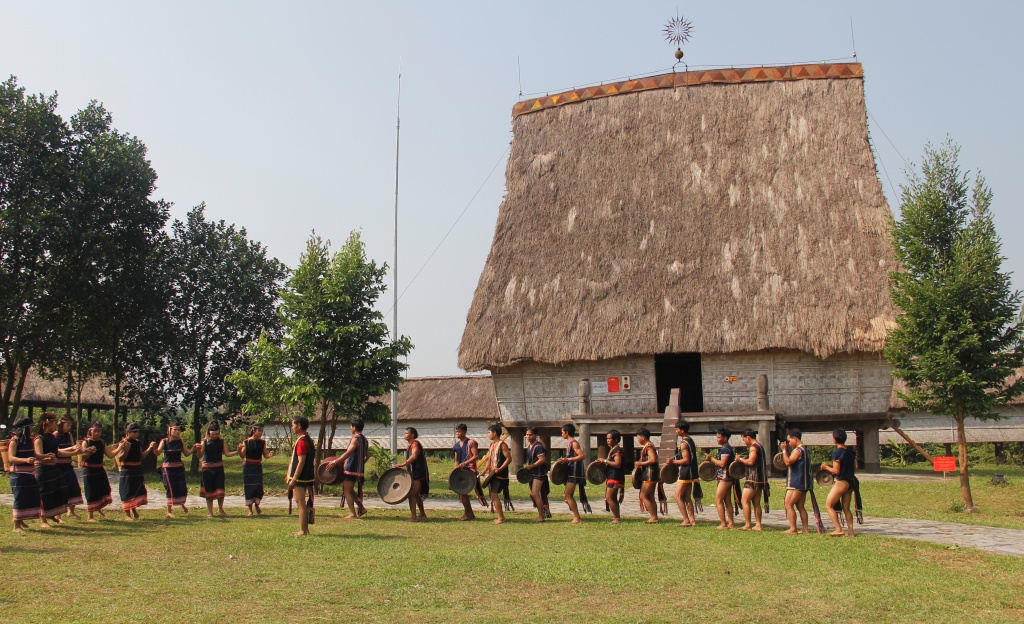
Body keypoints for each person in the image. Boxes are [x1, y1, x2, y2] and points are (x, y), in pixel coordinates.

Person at [34, 412, 82, 526]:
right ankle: (43, 520)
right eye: (54, 422)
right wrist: (47, 457)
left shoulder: (51, 436)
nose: (56, 424)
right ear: (47, 423)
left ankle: (52, 514)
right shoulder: (39, 438)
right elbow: (38, 455)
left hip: (53, 468)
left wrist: (74, 452)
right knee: (44, 494)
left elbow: (58, 452)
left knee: (62, 489)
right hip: (43, 469)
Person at [81, 422, 122, 522]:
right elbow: (82, 458)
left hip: (100, 470)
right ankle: (90, 516)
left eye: (99, 431)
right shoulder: (86, 442)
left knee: (104, 489)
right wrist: (88, 452)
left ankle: (98, 508)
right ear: (91, 430)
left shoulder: (102, 442)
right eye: (95, 431)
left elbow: (111, 455)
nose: (97, 433)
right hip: (89, 470)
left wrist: (120, 447)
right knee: (91, 492)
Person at [822, 428, 859, 537]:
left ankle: (838, 529)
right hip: (851, 481)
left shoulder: (837, 453)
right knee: (846, 508)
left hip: (841, 482)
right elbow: (854, 467)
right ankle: (851, 531)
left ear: (834, 439)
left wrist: (825, 467)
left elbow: (836, 471)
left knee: (828, 505)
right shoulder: (850, 452)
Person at [156, 423, 198, 518]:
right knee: (171, 488)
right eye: (175, 430)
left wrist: (193, 448)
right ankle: (169, 511)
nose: (177, 432)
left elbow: (187, 453)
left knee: (181, 487)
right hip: (168, 469)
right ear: (170, 430)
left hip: (178, 468)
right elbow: (157, 453)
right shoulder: (165, 441)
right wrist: (153, 447)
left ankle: (182, 505)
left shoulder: (180, 441)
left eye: (178, 430)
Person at [116, 423, 157, 520]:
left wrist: (150, 448)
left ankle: (134, 511)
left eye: (138, 432)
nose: (137, 434)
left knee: (136, 491)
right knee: (127, 492)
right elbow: (120, 458)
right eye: (134, 432)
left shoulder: (138, 443)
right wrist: (126, 450)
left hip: (137, 470)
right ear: (128, 432)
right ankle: (127, 514)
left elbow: (141, 456)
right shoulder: (123, 443)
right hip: (127, 470)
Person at [8, 417, 41, 532]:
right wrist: (25, 460)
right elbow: (11, 457)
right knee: (20, 498)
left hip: (30, 473)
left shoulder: (30, 440)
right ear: (25, 428)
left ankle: (21, 519)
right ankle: (16, 526)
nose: (32, 428)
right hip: (18, 474)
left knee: (30, 496)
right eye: (31, 426)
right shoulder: (14, 441)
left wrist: (46, 456)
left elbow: (35, 454)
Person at [199, 421, 238, 518]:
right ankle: (210, 512)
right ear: (209, 433)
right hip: (207, 470)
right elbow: (199, 455)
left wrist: (238, 451)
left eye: (217, 434)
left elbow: (227, 454)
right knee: (209, 492)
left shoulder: (221, 441)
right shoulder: (204, 442)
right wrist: (198, 449)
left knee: (220, 491)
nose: (215, 436)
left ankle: (220, 509)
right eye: (213, 434)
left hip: (219, 469)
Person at [331, 419, 368, 520]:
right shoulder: (364, 439)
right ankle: (361, 508)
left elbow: (348, 453)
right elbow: (367, 455)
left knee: (346, 490)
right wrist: (361, 462)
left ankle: (353, 513)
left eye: (351, 426)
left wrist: (335, 462)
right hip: (359, 468)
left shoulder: (355, 438)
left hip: (351, 467)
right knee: (350, 490)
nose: (350, 428)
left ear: (355, 427)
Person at [286, 416, 316, 536]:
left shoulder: (302, 441)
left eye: (293, 425)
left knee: (301, 504)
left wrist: (294, 479)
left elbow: (301, 461)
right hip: (306, 475)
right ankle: (305, 529)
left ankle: (303, 530)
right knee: (301, 503)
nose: (292, 427)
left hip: (301, 477)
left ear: (299, 426)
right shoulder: (307, 439)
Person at [555, 423, 590, 524]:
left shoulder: (574, 443)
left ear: (567, 432)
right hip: (570, 472)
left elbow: (582, 456)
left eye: (562, 432)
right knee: (567, 495)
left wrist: (568, 459)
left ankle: (577, 517)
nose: (562, 434)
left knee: (568, 495)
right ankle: (576, 516)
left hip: (574, 473)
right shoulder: (570, 443)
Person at [239, 423, 274, 517]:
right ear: (254, 431)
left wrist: (269, 455)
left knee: (258, 487)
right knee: (249, 488)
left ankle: (257, 504)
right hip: (248, 467)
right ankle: (250, 510)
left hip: (257, 466)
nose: (261, 432)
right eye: (259, 430)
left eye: (262, 430)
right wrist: (239, 450)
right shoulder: (246, 442)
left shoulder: (262, 442)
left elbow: (265, 454)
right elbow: (242, 455)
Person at [736, 428, 768, 531]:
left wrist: (740, 459)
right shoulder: (760, 446)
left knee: (744, 500)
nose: (744, 442)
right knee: (756, 503)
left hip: (753, 479)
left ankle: (748, 524)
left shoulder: (753, 447)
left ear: (748, 438)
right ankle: (758, 525)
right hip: (760, 479)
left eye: (744, 439)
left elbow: (750, 462)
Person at [780, 427, 810, 535]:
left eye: (789, 441)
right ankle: (805, 529)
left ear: (795, 439)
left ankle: (793, 528)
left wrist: (784, 450)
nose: (788, 443)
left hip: (797, 483)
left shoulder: (798, 450)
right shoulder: (805, 449)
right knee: (800, 506)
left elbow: (788, 462)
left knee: (788, 504)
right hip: (803, 483)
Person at [395, 427, 429, 522]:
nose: (404, 435)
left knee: (412, 495)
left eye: (407, 433)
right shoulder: (410, 445)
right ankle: (422, 513)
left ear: (412, 435)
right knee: (417, 495)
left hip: (418, 473)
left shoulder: (415, 444)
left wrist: (403, 464)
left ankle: (414, 517)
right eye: (404, 433)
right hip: (415, 472)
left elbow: (414, 457)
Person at [671, 420, 700, 527]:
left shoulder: (684, 443)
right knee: (687, 497)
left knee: (678, 496)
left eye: (677, 429)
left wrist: (672, 461)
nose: (676, 431)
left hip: (685, 472)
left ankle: (686, 520)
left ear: (682, 430)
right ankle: (692, 520)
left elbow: (686, 460)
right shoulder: (690, 440)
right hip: (692, 472)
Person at [54, 416, 84, 518]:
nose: (69, 427)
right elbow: (56, 451)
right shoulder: (54, 435)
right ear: (61, 425)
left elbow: (72, 448)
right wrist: (72, 448)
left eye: (70, 425)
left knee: (74, 487)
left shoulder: (69, 435)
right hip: (58, 466)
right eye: (67, 425)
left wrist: (80, 450)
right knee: (60, 489)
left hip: (68, 465)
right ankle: (58, 514)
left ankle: (71, 511)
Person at [706, 427, 736, 530]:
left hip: (725, 478)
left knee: (718, 500)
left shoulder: (726, 449)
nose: (717, 439)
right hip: (726, 478)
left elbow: (722, 464)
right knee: (727, 501)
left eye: (719, 437)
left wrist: (711, 459)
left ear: (725, 438)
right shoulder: (726, 448)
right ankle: (731, 523)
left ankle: (723, 523)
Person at [451, 423, 480, 521]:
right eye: (456, 432)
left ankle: (468, 514)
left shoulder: (471, 443)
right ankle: (469, 513)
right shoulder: (456, 446)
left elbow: (476, 456)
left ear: (464, 432)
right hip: (460, 472)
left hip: (470, 471)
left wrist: (465, 463)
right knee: (461, 493)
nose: (457, 434)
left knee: (463, 493)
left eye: (459, 432)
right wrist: (455, 469)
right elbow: (456, 460)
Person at [484, 424, 511, 524]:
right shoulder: (491, 445)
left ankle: (501, 518)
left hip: (500, 475)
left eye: (489, 432)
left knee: (494, 496)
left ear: (495, 433)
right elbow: (490, 460)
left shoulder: (503, 445)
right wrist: (484, 470)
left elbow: (509, 459)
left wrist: (499, 469)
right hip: (493, 475)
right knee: (493, 496)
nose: (488, 434)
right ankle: (500, 516)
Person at [596, 429, 624, 524]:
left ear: (616, 439)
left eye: (609, 438)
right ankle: (617, 517)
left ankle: (617, 518)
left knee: (609, 498)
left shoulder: (617, 450)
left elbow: (617, 463)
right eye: (607, 438)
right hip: (611, 476)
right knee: (612, 498)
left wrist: (605, 461)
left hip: (615, 476)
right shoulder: (613, 449)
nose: (607, 440)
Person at [524, 427, 549, 522]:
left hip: (539, 473)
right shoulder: (530, 446)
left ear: (535, 436)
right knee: (533, 494)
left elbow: (542, 460)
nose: (528, 436)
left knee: (535, 493)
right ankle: (542, 513)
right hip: (533, 473)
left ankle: (541, 516)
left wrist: (532, 466)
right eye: (527, 434)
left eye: (530, 435)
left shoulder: (538, 447)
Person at [636, 428, 659, 524]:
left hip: (650, 475)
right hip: (651, 475)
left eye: (638, 438)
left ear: (643, 437)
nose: (638, 440)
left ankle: (653, 517)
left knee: (643, 495)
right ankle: (655, 516)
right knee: (650, 496)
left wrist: (641, 464)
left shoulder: (649, 447)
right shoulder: (648, 446)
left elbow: (653, 459)